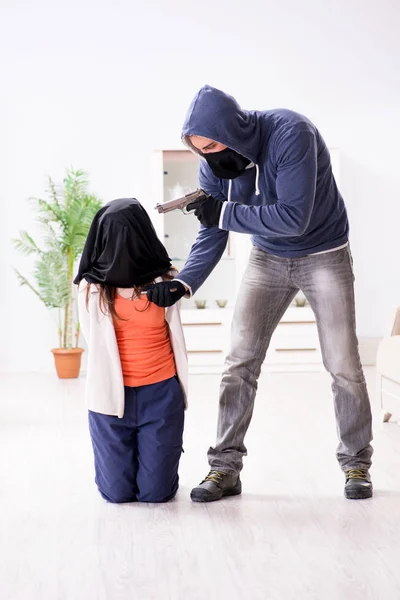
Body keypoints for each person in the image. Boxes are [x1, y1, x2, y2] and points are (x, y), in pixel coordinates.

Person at [146, 85, 373, 502]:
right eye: (200, 150)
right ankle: (224, 469)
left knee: (343, 363)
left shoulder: (291, 133)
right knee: (238, 362)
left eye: (213, 145)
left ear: (234, 129)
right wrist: (183, 282)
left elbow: (294, 218)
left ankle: (356, 462)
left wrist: (226, 213)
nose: (209, 157)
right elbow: (212, 231)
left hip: (323, 252)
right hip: (267, 257)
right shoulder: (211, 166)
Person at [75, 198, 188, 503]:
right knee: (116, 494)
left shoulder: (165, 282)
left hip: (160, 394)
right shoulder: (91, 289)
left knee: (156, 494)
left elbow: (186, 289)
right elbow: (94, 339)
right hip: (111, 398)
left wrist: (178, 286)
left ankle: (156, 462)